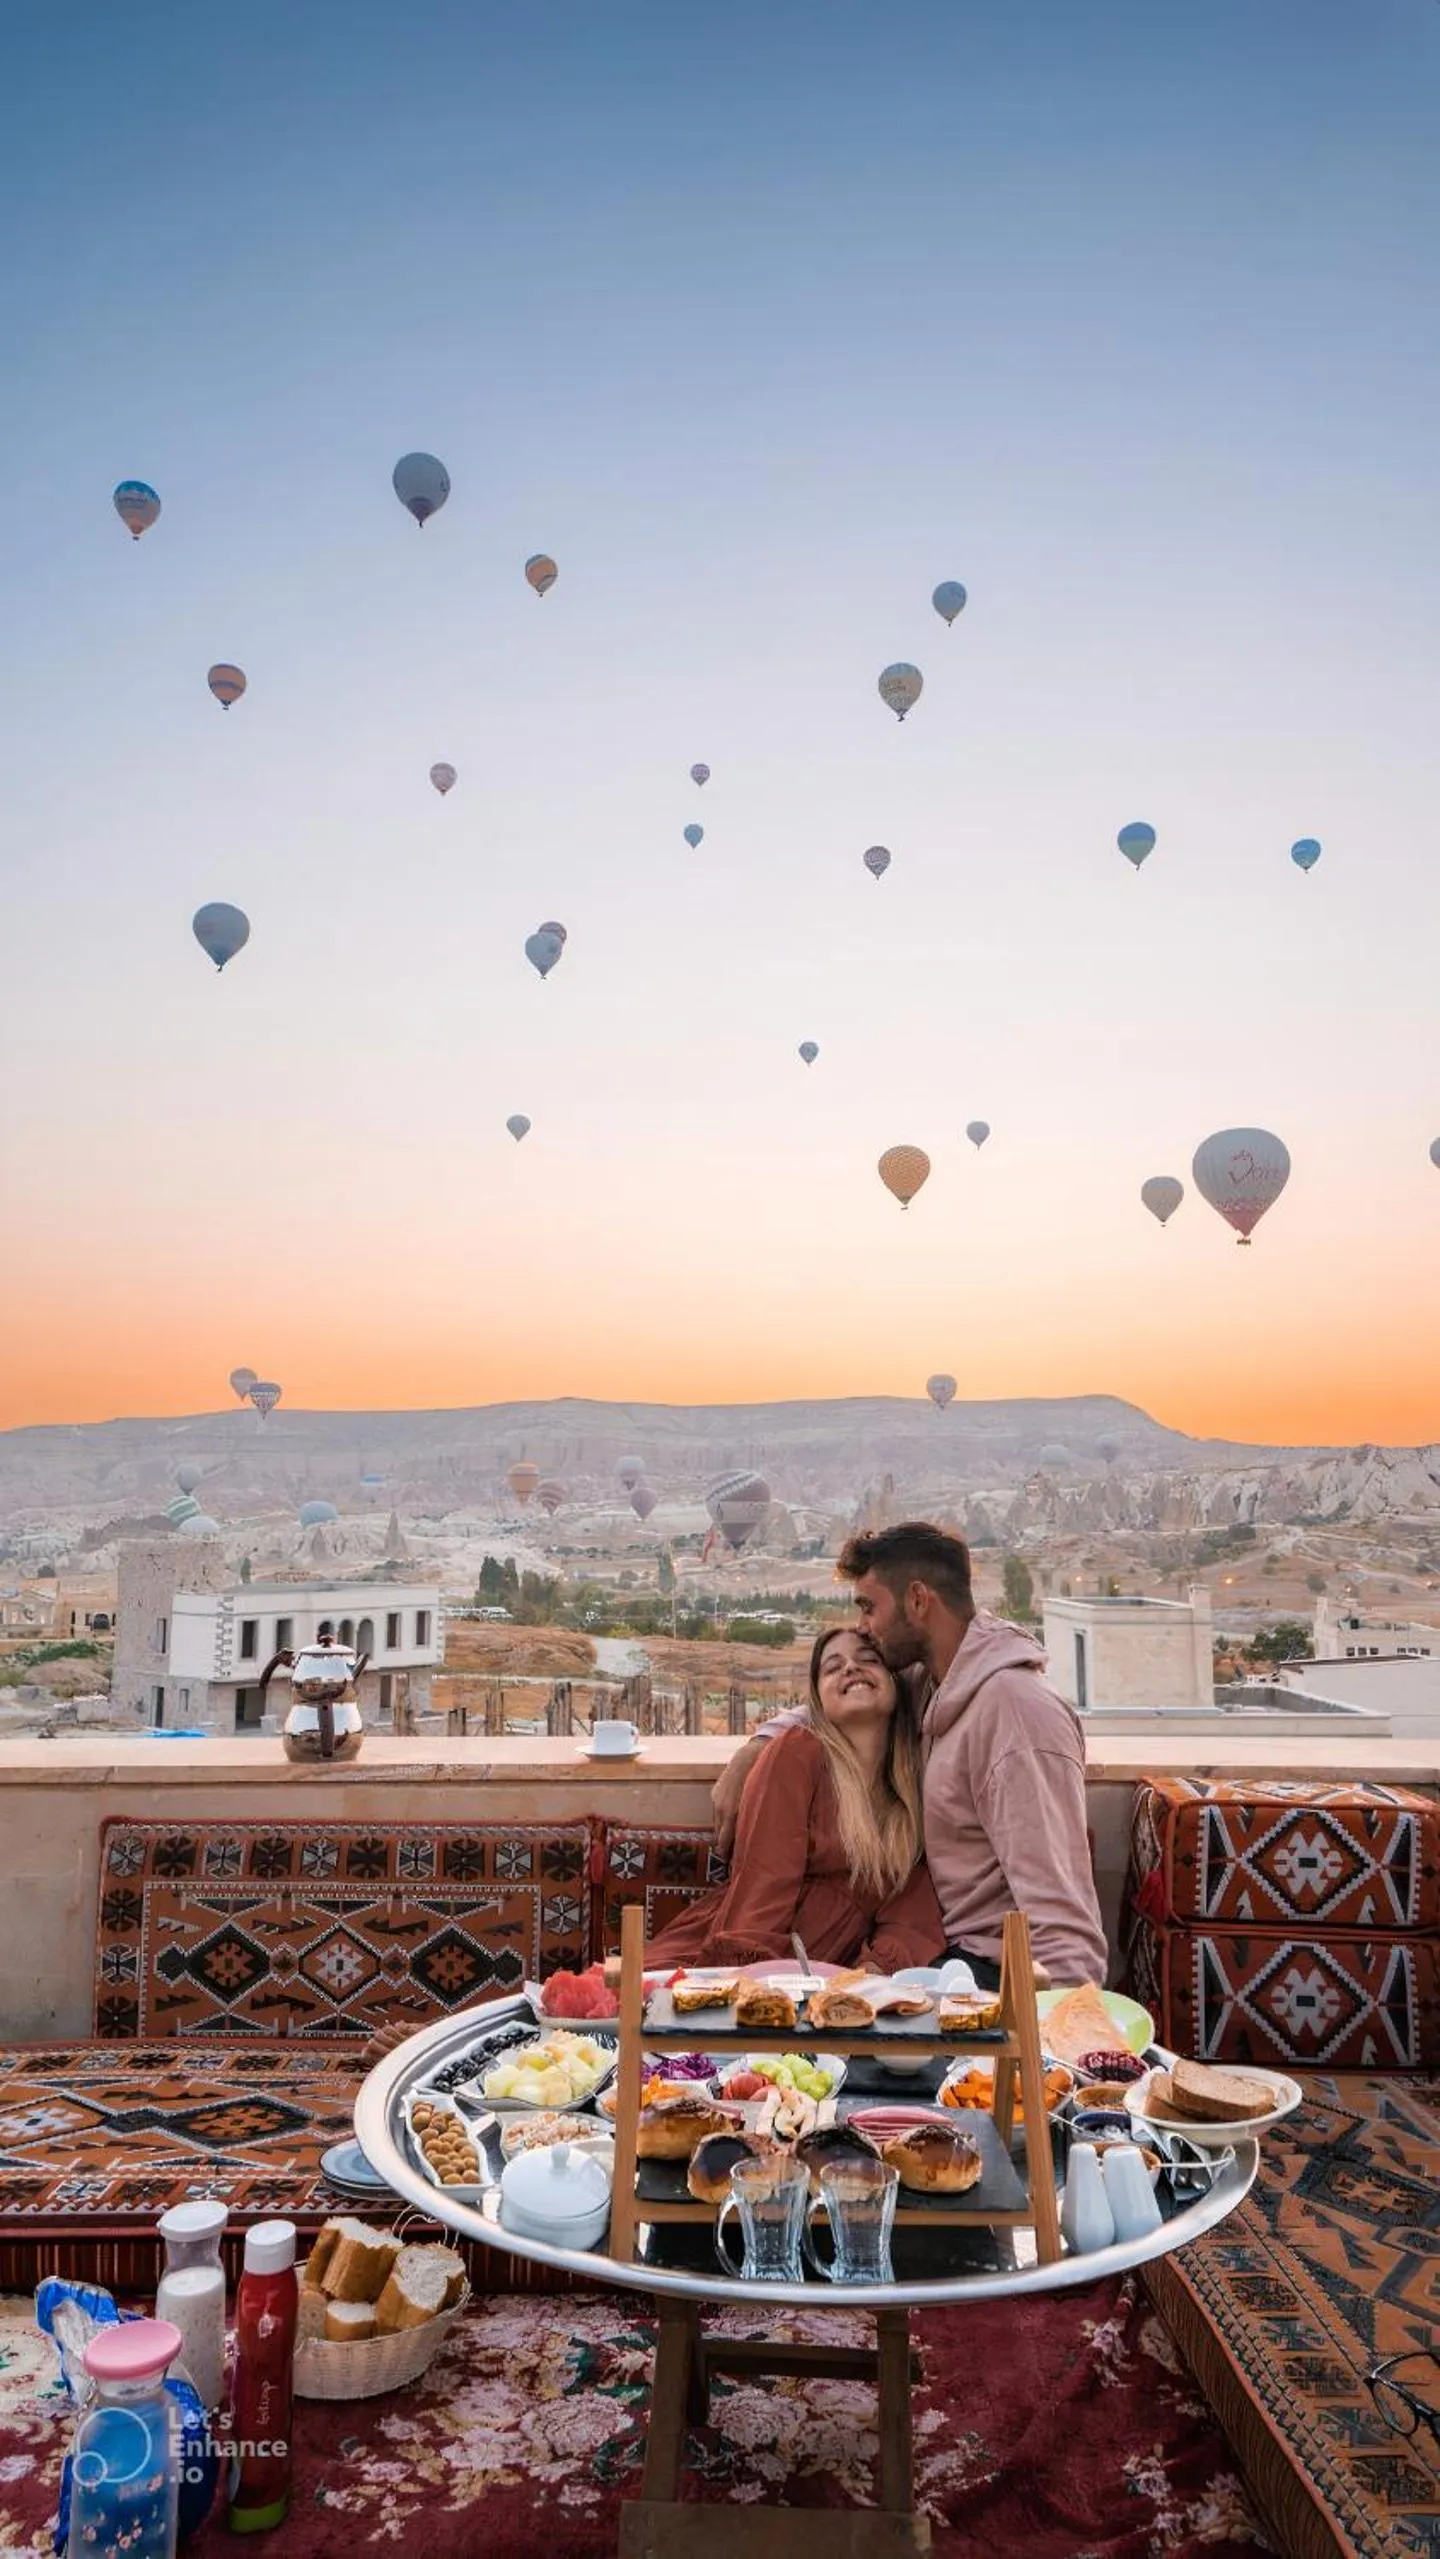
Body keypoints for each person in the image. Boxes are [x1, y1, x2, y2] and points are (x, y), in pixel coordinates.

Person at [712, 1523, 1108, 1990]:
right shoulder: (934, 1683)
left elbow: (1062, 1921)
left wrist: (1055, 2044)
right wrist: (755, 1749)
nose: (863, 1627)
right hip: (937, 1949)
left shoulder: (1018, 1717)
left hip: (986, 1972)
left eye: (869, 1607)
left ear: (918, 1600)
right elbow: (836, 1700)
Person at [645, 1624, 945, 1972]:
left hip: (832, 1978)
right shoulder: (797, 1754)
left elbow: (914, 1905)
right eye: (833, 1667)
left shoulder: (908, 1791)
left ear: (896, 1683)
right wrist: (749, 1990)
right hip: (742, 1964)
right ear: (818, 1700)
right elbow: (764, 1882)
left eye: (869, 1660)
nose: (850, 1668)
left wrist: (873, 1974)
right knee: (601, 2022)